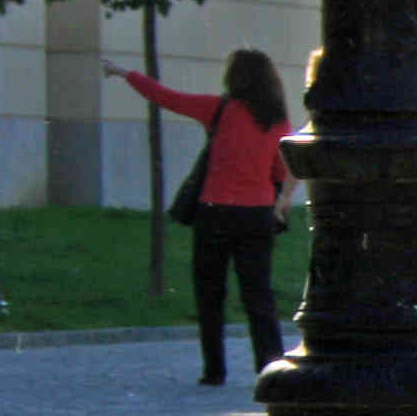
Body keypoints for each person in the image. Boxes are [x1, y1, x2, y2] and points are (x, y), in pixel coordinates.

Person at [106, 49, 297, 387]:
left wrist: (125, 74)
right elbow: (281, 169)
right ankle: (269, 367)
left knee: (210, 294)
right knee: (259, 295)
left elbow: (168, 98)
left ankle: (214, 370)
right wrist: (281, 200)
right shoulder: (277, 121)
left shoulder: (219, 110)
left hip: (215, 212)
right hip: (256, 216)